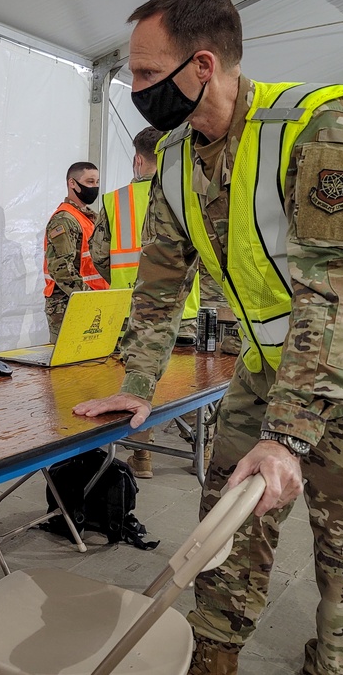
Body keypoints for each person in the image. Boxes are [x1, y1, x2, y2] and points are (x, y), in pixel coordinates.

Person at [73, 0, 343, 675]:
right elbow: (158, 283)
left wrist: (286, 439)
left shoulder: (318, 130)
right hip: (274, 371)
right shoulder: (179, 158)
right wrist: (138, 383)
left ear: (203, 65)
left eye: (148, 73)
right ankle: (212, 660)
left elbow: (340, 295)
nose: (135, 88)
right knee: (222, 536)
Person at [91, 126, 201, 478]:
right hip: (187, 312)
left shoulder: (114, 200)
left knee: (139, 383)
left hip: (131, 313)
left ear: (138, 159)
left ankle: (142, 457)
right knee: (198, 386)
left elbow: (99, 255)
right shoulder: (188, 194)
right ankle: (204, 447)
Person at [42, 161, 110, 342]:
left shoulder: (89, 217)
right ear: (72, 183)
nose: (94, 187)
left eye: (97, 182)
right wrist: (89, 298)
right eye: (89, 182)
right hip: (68, 305)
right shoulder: (64, 220)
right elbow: (61, 269)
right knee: (68, 364)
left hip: (89, 301)